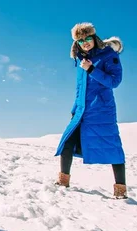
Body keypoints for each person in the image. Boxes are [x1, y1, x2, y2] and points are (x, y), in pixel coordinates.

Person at [54, 22, 127, 199]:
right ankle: (63, 181)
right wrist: (75, 108)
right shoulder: (80, 59)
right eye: (80, 40)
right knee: (67, 142)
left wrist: (92, 69)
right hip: (82, 111)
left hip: (102, 110)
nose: (84, 42)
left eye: (87, 38)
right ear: (76, 43)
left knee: (113, 148)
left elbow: (114, 81)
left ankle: (120, 190)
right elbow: (80, 88)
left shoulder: (108, 55)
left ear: (94, 37)